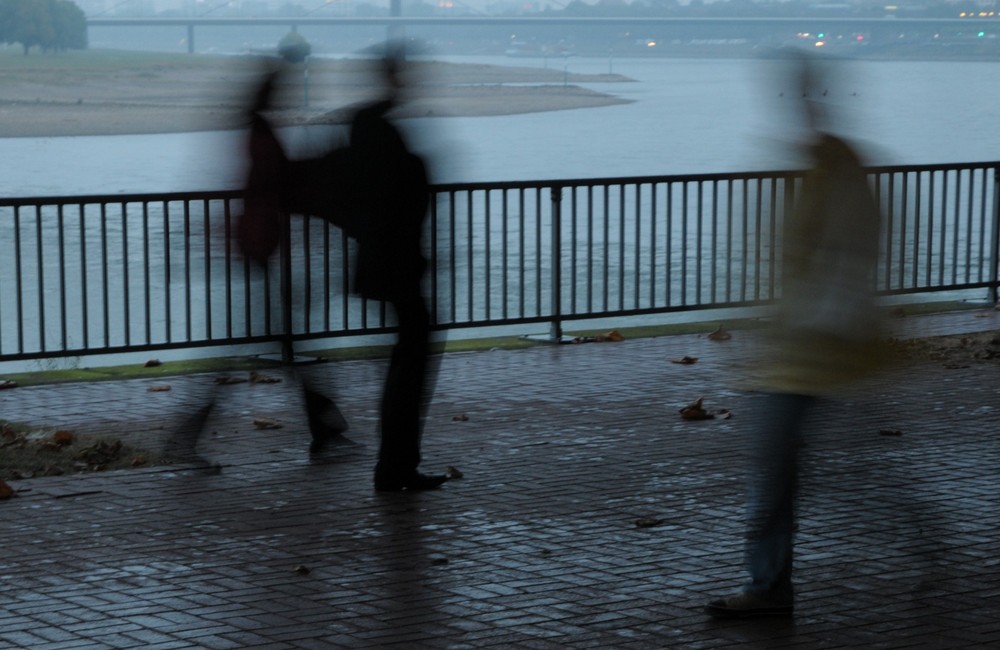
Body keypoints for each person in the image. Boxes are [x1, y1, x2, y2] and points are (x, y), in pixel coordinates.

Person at [705, 53, 883, 617]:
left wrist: (809, 317)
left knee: (773, 472)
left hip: (806, 353)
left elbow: (837, 258)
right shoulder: (827, 164)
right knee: (785, 470)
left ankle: (767, 589)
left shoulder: (830, 167)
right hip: (802, 351)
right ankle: (770, 584)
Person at [347, 48, 447, 492]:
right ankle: (396, 466)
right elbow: (400, 193)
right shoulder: (375, 129)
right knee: (410, 364)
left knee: (406, 362)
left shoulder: (368, 126)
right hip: (398, 264)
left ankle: (397, 464)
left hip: (389, 263)